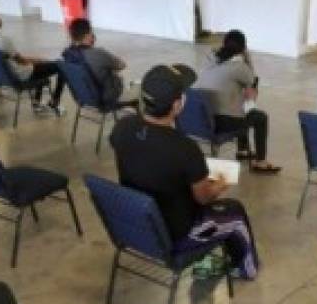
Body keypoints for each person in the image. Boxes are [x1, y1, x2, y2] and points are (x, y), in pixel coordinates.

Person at [109, 63, 261, 279]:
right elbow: (203, 198)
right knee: (234, 212)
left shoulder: (122, 127)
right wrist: (221, 183)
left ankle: (212, 259)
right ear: (177, 105)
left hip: (136, 222)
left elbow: (142, 153)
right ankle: (247, 269)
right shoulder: (184, 147)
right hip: (174, 233)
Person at [193, 29, 280, 174]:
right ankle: (261, 162)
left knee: (238, 107)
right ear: (243, 48)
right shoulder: (240, 67)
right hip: (222, 123)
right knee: (258, 116)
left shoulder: (210, 61)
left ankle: (243, 150)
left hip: (203, 118)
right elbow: (252, 85)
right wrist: (247, 59)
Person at [0, 2, 63, 115]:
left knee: (41, 67)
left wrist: (38, 61)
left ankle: (37, 103)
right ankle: (54, 101)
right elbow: (22, 61)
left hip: (3, 78)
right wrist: (39, 60)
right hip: (20, 76)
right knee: (60, 65)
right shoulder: (3, 41)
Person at [62, 17, 125, 108]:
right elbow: (122, 65)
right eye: (91, 32)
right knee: (116, 75)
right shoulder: (99, 53)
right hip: (102, 98)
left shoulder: (67, 54)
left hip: (80, 96)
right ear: (88, 35)